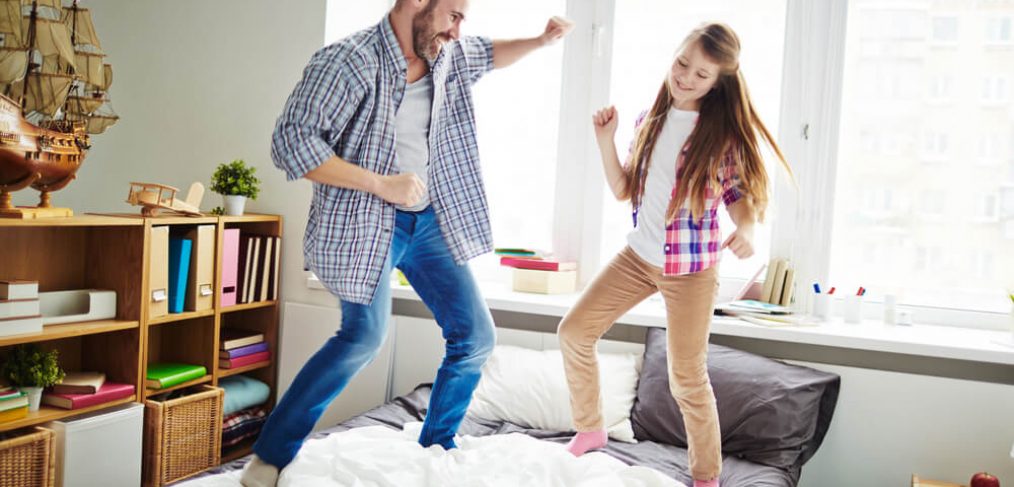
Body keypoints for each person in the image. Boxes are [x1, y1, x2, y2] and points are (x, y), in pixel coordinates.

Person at [240, 1, 573, 485]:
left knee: (476, 337)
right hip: (369, 220)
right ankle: (269, 456)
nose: (459, 30)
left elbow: (488, 53)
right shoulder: (349, 61)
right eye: (453, 15)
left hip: (430, 220)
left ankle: (437, 443)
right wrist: (381, 183)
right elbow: (291, 143)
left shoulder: (445, 53)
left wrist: (540, 42)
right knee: (363, 336)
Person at [557, 22, 791, 487]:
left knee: (687, 377)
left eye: (701, 74)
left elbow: (739, 197)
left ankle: (706, 476)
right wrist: (606, 139)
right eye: (683, 63)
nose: (686, 77)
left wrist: (746, 227)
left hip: (691, 271)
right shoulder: (651, 120)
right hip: (638, 258)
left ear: (718, 83)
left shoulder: (718, 136)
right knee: (574, 332)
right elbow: (625, 189)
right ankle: (591, 429)